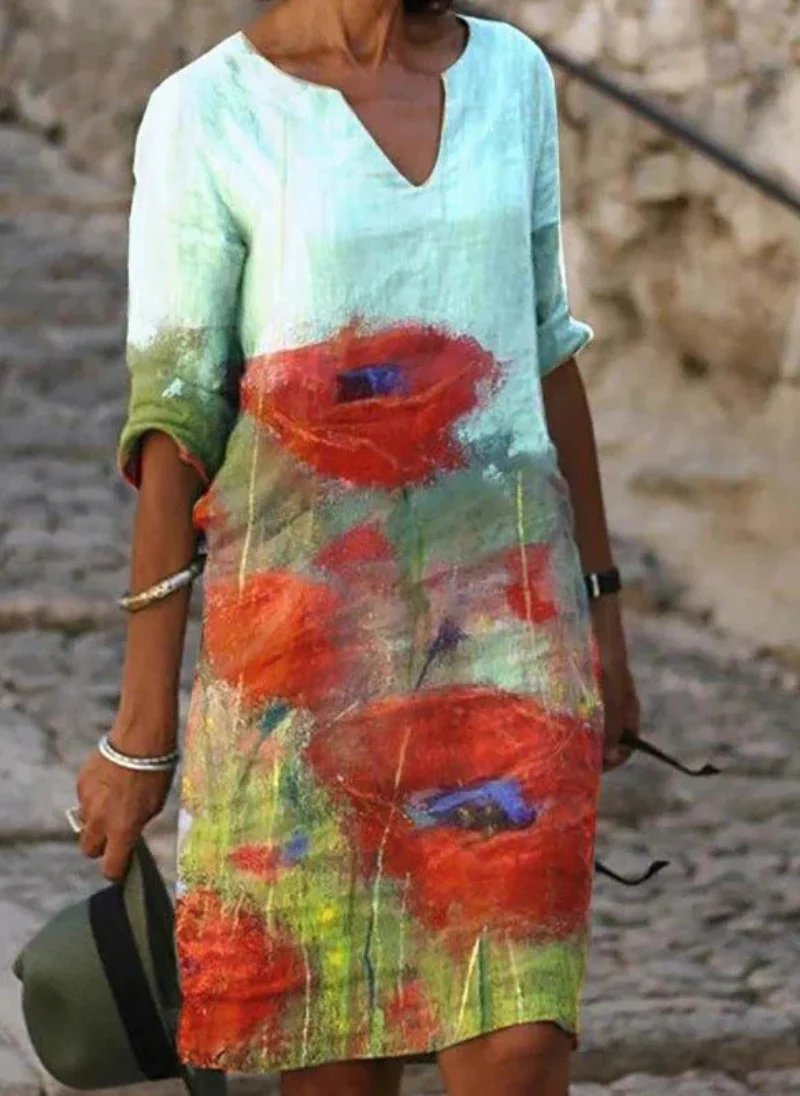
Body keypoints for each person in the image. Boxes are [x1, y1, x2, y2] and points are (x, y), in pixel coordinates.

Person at [75, 0, 640, 1093]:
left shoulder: (510, 76)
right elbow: (174, 421)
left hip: (509, 640)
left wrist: (602, 610)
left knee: (522, 1042)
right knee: (339, 1059)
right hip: (299, 664)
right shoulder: (207, 112)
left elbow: (545, 345)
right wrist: (141, 732)